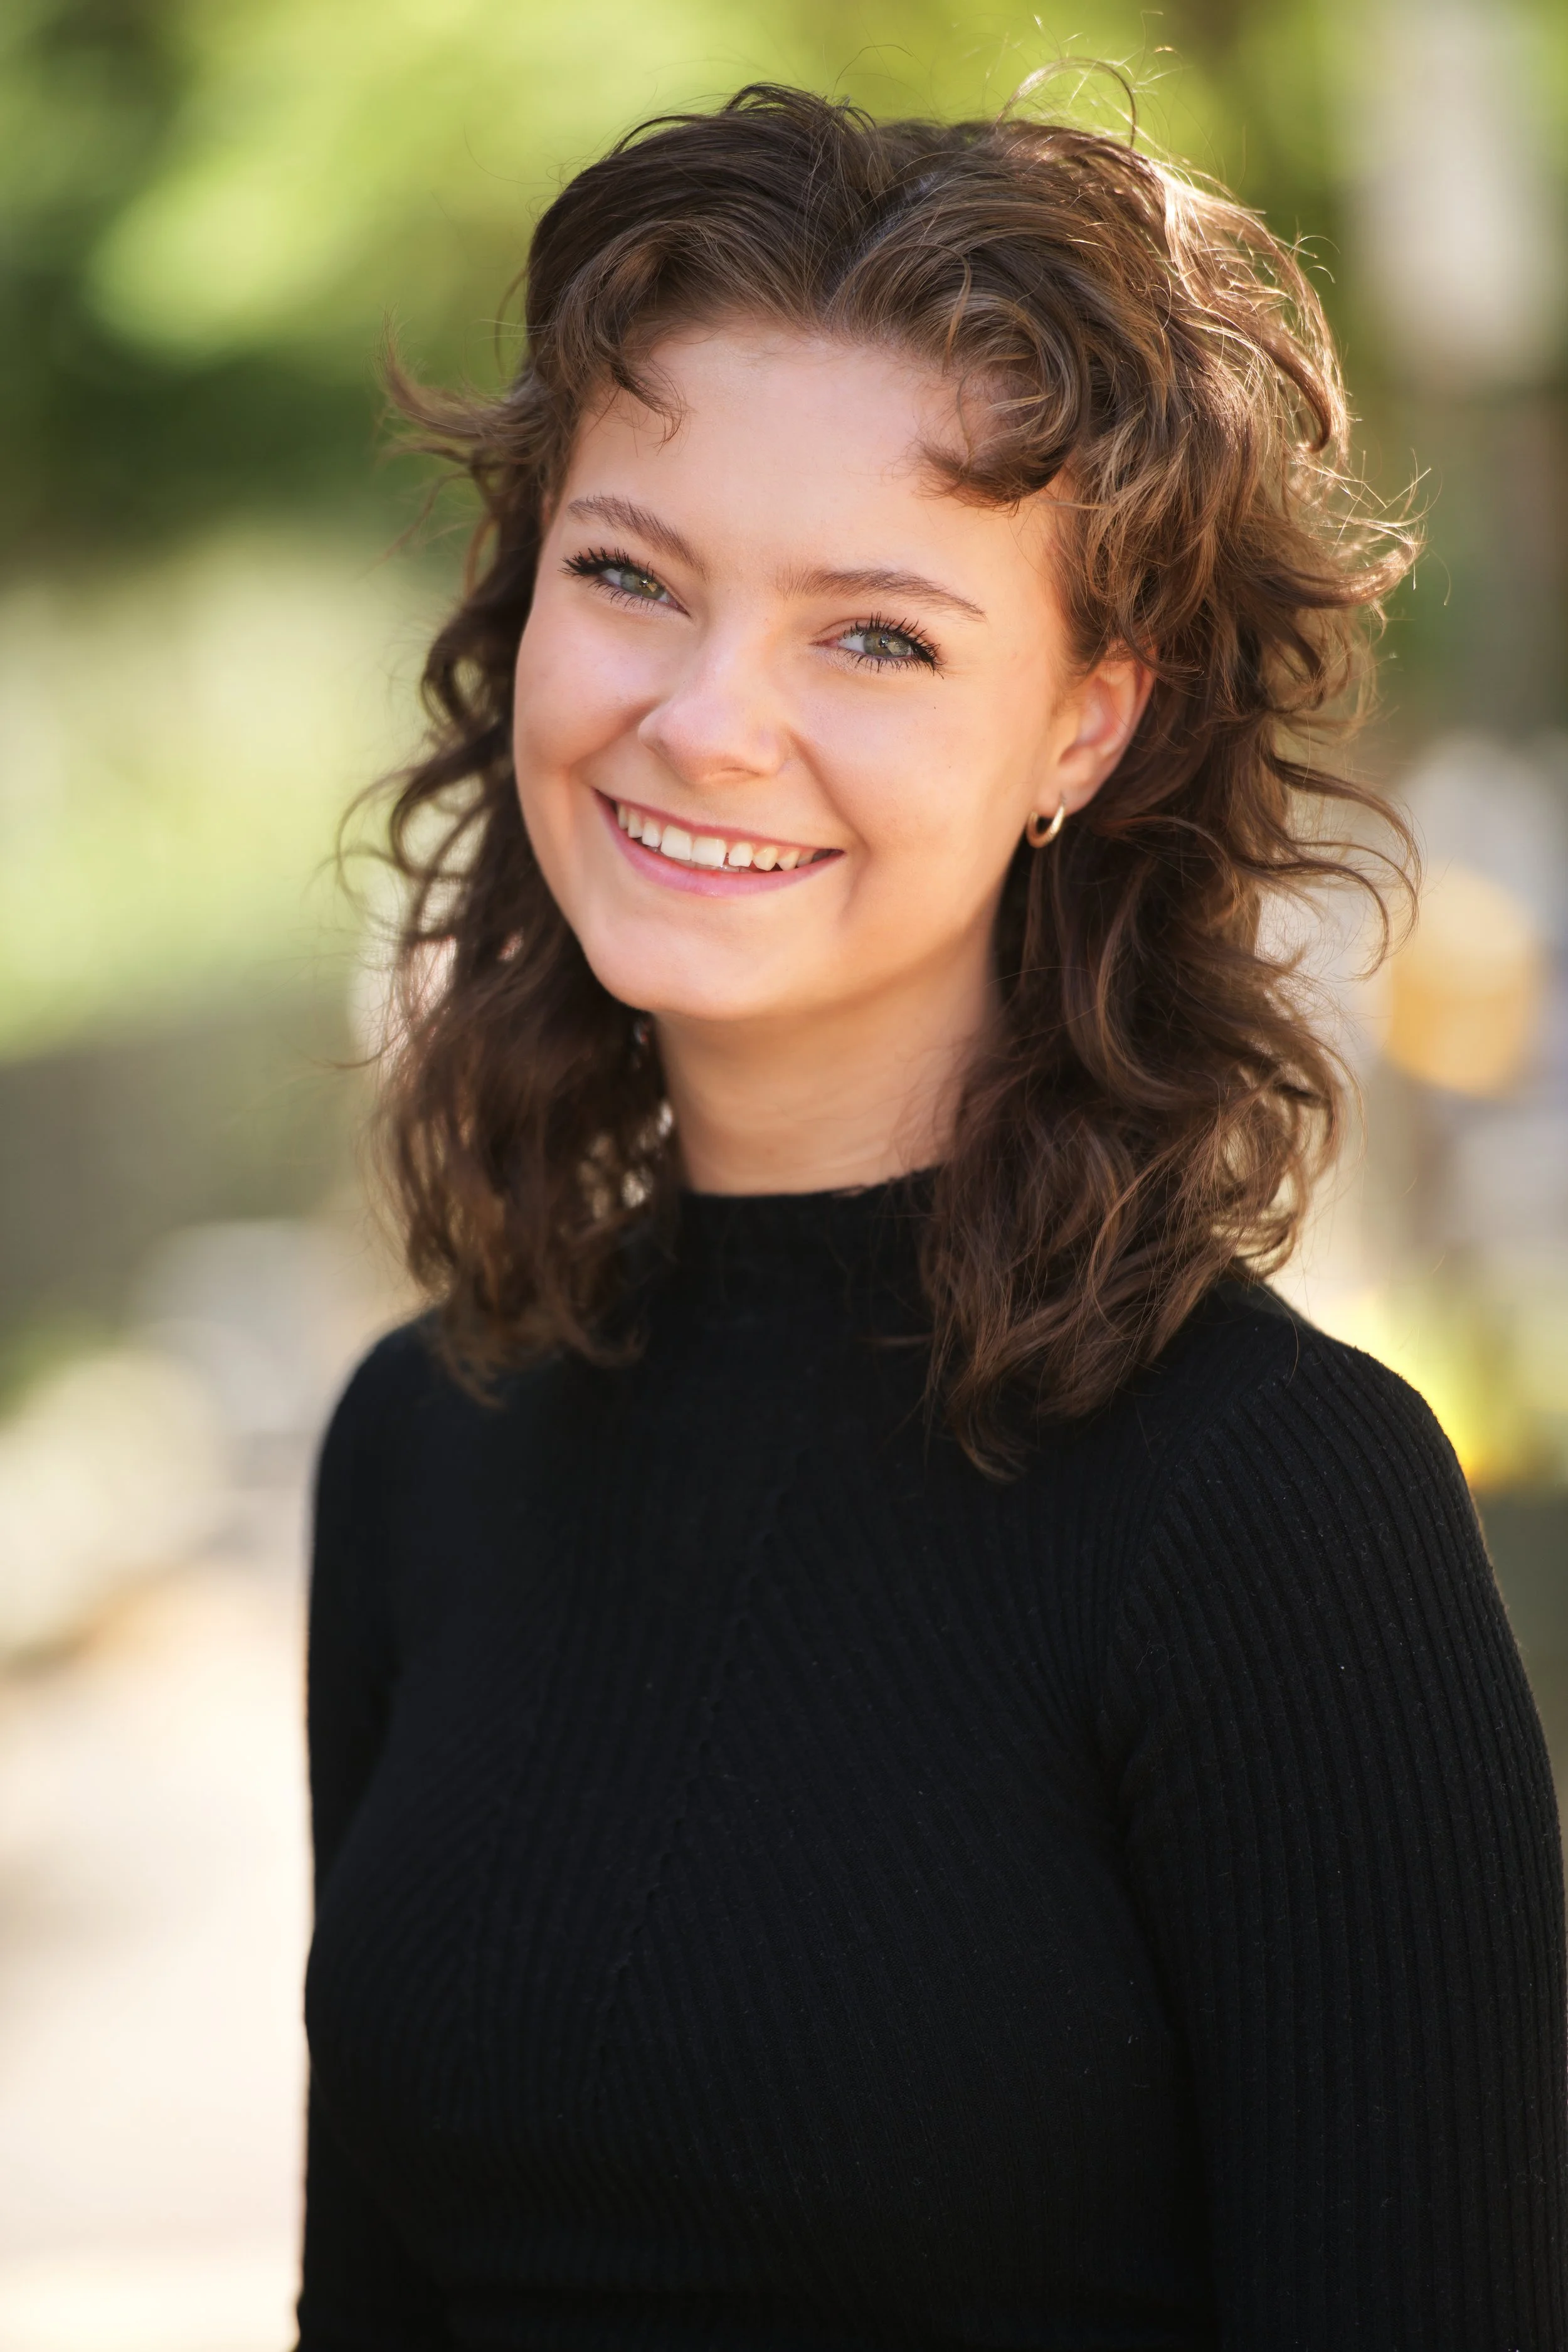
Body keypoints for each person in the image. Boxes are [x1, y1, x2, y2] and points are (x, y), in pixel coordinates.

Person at [295, 85, 1566, 2351]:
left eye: (871, 636)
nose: (704, 721)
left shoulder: (1272, 1516)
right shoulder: (423, 1445)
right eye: (630, 574)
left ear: (1085, 722)